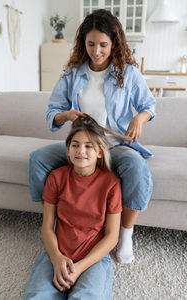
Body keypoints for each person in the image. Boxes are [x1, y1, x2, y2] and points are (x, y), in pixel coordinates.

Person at [28, 9, 156, 264]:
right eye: (91, 44)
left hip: (114, 147)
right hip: (83, 147)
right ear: (82, 43)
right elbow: (51, 113)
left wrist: (138, 118)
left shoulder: (127, 73)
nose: (96, 51)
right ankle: (57, 224)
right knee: (37, 159)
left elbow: (149, 106)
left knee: (135, 166)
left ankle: (125, 236)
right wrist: (67, 115)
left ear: (114, 43)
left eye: (103, 45)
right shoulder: (72, 73)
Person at [23, 115, 122, 299]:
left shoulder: (111, 184)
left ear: (100, 152)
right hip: (58, 252)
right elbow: (47, 227)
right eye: (75, 145)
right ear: (68, 150)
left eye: (88, 146)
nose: (80, 151)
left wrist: (79, 268)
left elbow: (112, 237)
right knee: (36, 296)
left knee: (86, 297)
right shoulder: (56, 177)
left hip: (93, 259)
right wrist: (57, 258)